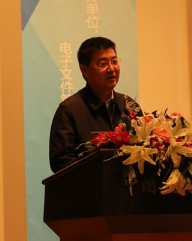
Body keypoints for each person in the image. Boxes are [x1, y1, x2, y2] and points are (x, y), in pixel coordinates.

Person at [49, 36, 142, 172]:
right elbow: (61, 161)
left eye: (114, 61)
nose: (111, 69)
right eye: (103, 64)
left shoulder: (129, 105)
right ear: (84, 70)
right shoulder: (69, 110)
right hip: (89, 185)